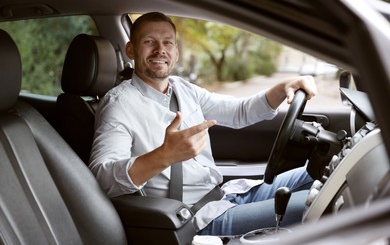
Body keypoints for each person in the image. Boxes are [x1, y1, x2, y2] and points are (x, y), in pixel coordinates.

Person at [89, 12, 317, 236]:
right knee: (315, 204)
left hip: (224, 196)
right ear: (131, 50)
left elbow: (239, 111)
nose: (160, 50)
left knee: (319, 171)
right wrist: (164, 155)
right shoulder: (118, 104)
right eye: (149, 42)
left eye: (168, 43)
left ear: (176, 52)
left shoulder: (183, 88)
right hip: (196, 220)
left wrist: (284, 86)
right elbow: (103, 178)